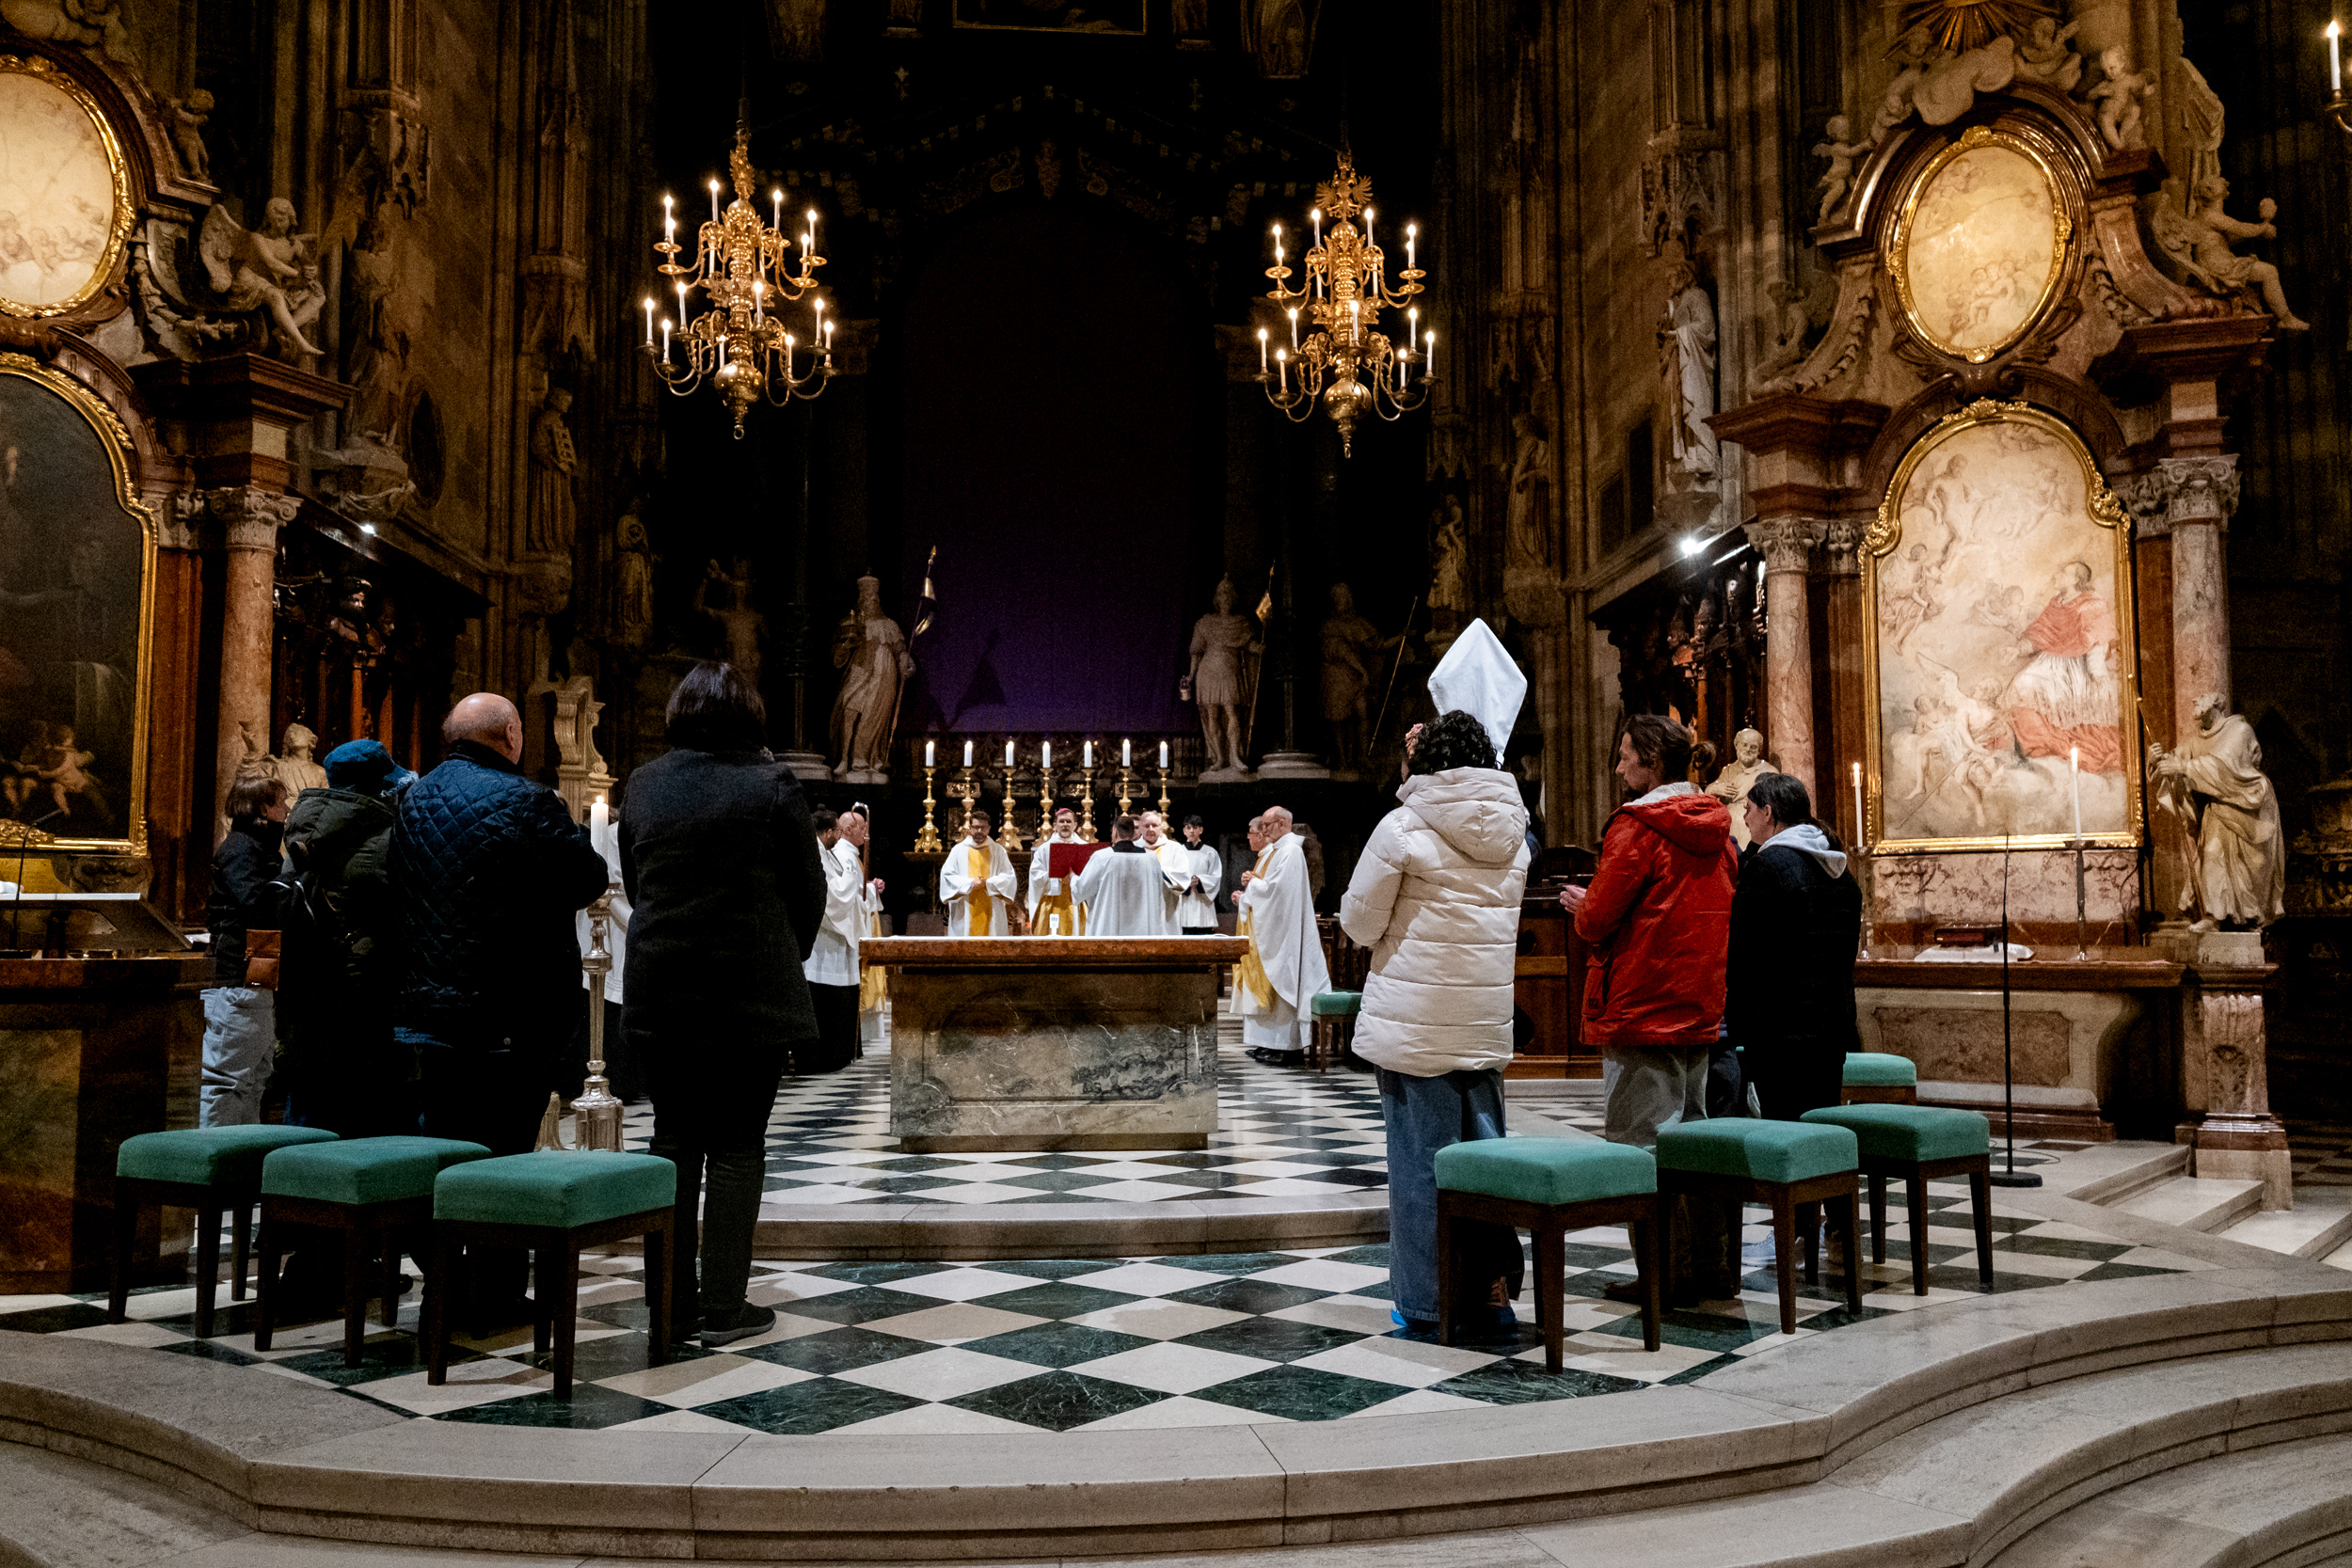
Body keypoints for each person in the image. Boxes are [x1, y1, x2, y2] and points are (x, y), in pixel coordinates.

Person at [621, 661, 827, 1347]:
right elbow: (808, 890)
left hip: (662, 985)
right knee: (738, 1145)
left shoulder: (645, 782)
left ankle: (672, 1304)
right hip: (750, 991)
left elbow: (636, 881)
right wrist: (781, 951)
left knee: (672, 1142)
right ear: (750, 714)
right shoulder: (771, 783)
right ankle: (724, 1305)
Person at [1341, 709, 1531, 1337]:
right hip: (1482, 1017)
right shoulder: (1515, 832)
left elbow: (1359, 924)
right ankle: (1493, 1292)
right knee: (1486, 1165)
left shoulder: (1402, 825)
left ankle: (1427, 1300)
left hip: (1415, 1022)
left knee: (1421, 1165)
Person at [1560, 714, 1738, 1302]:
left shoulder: (1637, 827)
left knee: (1642, 1146)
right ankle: (1709, 1268)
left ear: (1653, 762)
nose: (1618, 768)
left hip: (1642, 1006)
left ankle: (1664, 1275)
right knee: (1693, 1141)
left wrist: (1584, 905)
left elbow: (1597, 920)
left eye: (1624, 755)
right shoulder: (1719, 829)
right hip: (1699, 1004)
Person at [391, 692, 610, 1160]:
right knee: (503, 1156)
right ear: (511, 735)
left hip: (431, 1012)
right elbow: (589, 878)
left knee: (446, 1147)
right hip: (511, 1014)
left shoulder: (413, 798)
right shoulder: (526, 800)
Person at [276, 739, 411, 1135]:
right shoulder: (385, 837)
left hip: (305, 990)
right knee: (366, 1124)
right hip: (365, 995)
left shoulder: (301, 837)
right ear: (380, 787)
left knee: (307, 1116)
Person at [1725, 772, 1862, 1122]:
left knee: (1785, 1129)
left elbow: (1744, 955)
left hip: (1781, 1030)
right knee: (1823, 1123)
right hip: (1831, 1025)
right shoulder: (1838, 868)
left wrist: (1738, 1027)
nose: (1745, 818)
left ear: (1768, 812)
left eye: (1749, 809)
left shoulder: (1768, 867)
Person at [200, 773, 289, 1127]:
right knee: (228, 1080)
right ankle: (212, 1154)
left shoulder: (256, 847)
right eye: (282, 802)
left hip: (257, 975)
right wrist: (293, 888)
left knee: (253, 1079)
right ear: (263, 808)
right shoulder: (241, 848)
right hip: (239, 977)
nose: (287, 809)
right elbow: (256, 905)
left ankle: (240, 1153)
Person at [1235, 805, 1328, 1067]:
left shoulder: (1290, 851)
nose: (1263, 830)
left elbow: (1277, 891)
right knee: (1272, 986)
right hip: (1276, 928)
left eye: (1266, 825)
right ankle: (1272, 1044)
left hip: (1285, 933)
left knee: (1284, 983)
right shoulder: (1279, 850)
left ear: (1282, 823)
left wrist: (1253, 883)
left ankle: (1288, 1047)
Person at [804, 805, 881, 1073]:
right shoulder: (824, 854)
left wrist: (866, 891)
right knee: (824, 999)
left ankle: (837, 1054)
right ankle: (825, 1056)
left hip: (831, 936)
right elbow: (835, 897)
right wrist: (852, 879)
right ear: (829, 832)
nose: (840, 835)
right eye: (837, 830)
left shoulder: (826, 853)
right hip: (825, 938)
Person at [1075, 815, 1179, 936]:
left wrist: (1073, 878)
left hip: (1108, 930)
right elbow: (1157, 894)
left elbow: (1082, 890)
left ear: (1115, 831)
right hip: (1142, 930)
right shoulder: (1150, 858)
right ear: (1133, 832)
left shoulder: (1102, 857)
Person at [940, 808, 1018, 936]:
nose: (979, 831)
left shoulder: (998, 850)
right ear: (970, 828)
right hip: (965, 910)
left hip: (992, 908)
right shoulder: (958, 850)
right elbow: (947, 876)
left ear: (988, 828)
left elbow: (1008, 877)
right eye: (976, 827)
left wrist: (988, 883)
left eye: (983, 827)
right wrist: (970, 883)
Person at [1027, 804, 1086, 935]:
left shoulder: (1083, 847)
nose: (1065, 824)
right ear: (1055, 825)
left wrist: (1075, 879)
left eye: (1068, 821)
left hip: (1076, 902)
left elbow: (1090, 875)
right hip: (1052, 902)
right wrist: (1056, 878)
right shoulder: (1044, 849)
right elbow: (1035, 875)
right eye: (1061, 821)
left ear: (1075, 825)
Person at [1170, 814, 1224, 934]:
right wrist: (1186, 883)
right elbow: (1172, 875)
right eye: (1188, 828)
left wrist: (1200, 882)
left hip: (1203, 904)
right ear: (1184, 831)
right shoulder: (1178, 852)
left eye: (1195, 827)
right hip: (1184, 902)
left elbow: (1215, 877)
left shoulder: (1210, 852)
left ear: (1201, 830)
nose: (1192, 831)